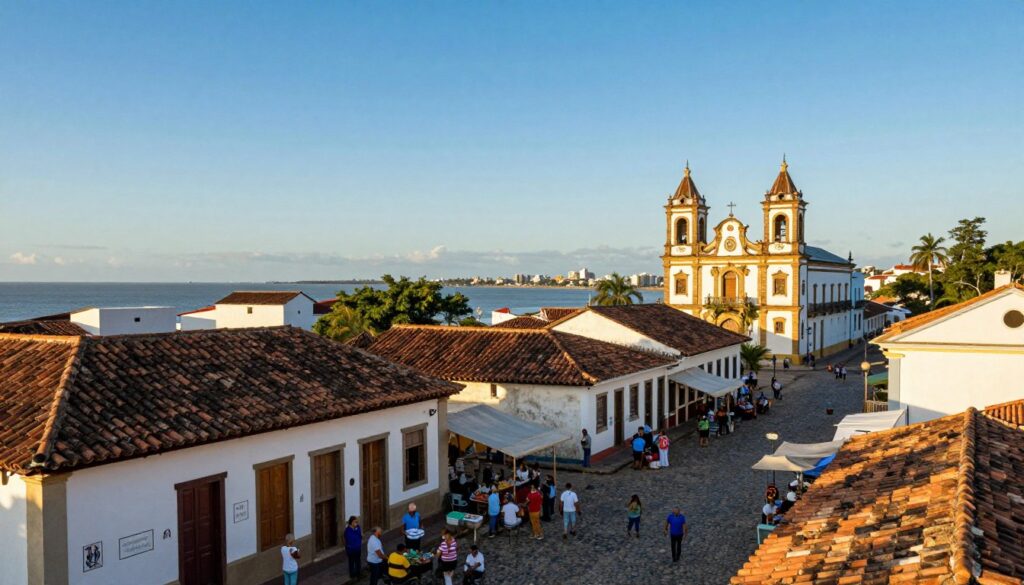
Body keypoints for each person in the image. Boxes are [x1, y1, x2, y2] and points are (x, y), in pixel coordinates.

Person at [344, 516, 362, 581]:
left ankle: (358, 574)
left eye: (357, 522)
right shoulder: (348, 530)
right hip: (351, 550)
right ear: (351, 522)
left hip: (358, 548)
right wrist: (355, 531)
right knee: (351, 562)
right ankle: (352, 574)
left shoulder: (358, 528)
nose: (356, 523)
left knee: (358, 562)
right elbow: (350, 539)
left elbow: (360, 535)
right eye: (355, 522)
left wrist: (357, 529)